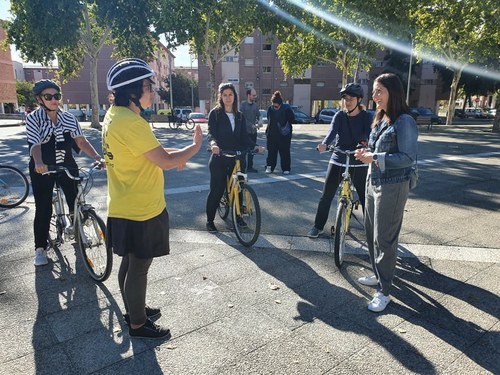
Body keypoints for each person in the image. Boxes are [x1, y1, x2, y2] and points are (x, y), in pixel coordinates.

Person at [104, 58, 202, 338]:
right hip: (142, 208)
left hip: (122, 203)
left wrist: (167, 160)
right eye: (148, 86)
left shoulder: (114, 116)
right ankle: (138, 324)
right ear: (132, 91)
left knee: (130, 262)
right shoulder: (132, 123)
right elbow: (166, 161)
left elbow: (146, 157)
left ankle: (134, 310)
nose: (153, 91)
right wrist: (193, 148)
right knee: (139, 267)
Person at [354, 73, 418, 313]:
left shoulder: (404, 121)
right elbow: (376, 148)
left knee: (385, 238)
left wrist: (375, 157)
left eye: (379, 91)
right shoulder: (380, 119)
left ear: (393, 92)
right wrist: (365, 152)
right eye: (373, 91)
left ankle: (385, 291)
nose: (374, 96)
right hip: (373, 181)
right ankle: (378, 274)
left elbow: (408, 158)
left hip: (393, 185)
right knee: (371, 234)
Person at [26, 79, 103, 267]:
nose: (54, 100)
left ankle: (78, 230)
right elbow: (35, 145)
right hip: (42, 166)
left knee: (74, 198)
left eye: (56, 96)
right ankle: (40, 248)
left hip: (66, 164)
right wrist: (38, 162)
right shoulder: (33, 118)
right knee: (43, 208)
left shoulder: (69, 118)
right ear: (39, 99)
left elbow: (81, 141)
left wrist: (97, 158)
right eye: (48, 96)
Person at [308, 83, 372, 238]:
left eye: (351, 99)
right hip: (338, 157)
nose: (347, 102)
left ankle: (371, 230)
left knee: (365, 197)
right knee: (326, 196)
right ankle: (318, 226)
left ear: (359, 100)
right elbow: (331, 133)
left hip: (358, 158)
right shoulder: (339, 116)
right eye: (345, 98)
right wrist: (324, 144)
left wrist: (369, 147)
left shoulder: (366, 117)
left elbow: (370, 135)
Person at [206, 82, 264, 233]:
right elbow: (211, 133)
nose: (227, 98)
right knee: (217, 191)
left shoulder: (239, 116)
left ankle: (238, 217)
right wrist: (214, 145)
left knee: (239, 188)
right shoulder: (215, 113)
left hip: (237, 158)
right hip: (220, 156)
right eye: (224, 95)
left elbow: (244, 137)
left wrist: (254, 147)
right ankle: (210, 220)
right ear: (220, 97)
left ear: (234, 96)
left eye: (230, 94)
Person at [265, 91, 295, 175]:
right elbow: (269, 120)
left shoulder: (287, 108)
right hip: (272, 135)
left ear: (280, 104)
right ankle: (269, 167)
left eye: (276, 106)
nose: (274, 107)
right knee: (271, 153)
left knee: (285, 152)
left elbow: (292, 119)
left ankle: (286, 168)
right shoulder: (270, 109)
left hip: (284, 135)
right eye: (273, 105)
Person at [239, 88, 260, 172]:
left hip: (253, 132)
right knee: (244, 150)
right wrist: (251, 125)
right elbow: (241, 118)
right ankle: (242, 167)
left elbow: (258, 115)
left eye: (255, 95)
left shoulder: (255, 105)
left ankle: (250, 167)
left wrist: (259, 122)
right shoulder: (243, 105)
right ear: (248, 95)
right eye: (253, 95)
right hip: (244, 132)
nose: (255, 97)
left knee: (252, 150)